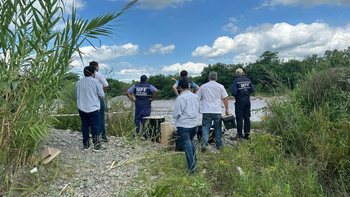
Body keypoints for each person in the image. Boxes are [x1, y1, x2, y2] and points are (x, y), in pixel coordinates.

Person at [75, 66, 106, 151]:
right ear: (93, 73)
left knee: (85, 126)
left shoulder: (79, 82)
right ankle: (96, 145)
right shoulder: (96, 82)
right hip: (93, 108)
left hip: (82, 108)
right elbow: (102, 95)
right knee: (95, 126)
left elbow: (76, 95)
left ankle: (86, 145)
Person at [173, 79, 200, 174]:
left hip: (184, 125)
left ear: (179, 88)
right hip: (194, 125)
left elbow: (176, 113)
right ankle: (194, 163)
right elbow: (198, 109)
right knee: (191, 143)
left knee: (187, 146)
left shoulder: (180, 98)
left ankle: (192, 170)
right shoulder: (195, 97)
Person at [196, 72, 229, 151]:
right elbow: (225, 98)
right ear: (216, 78)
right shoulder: (220, 86)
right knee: (218, 128)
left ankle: (204, 144)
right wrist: (226, 109)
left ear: (208, 78)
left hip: (206, 110)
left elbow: (197, 98)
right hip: (217, 110)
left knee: (205, 128)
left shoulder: (203, 87)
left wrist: (198, 108)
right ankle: (219, 145)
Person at [126, 75, 158, 139]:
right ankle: (144, 135)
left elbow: (127, 92)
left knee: (137, 120)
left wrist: (132, 100)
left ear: (140, 79)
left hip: (138, 104)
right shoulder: (149, 86)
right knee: (145, 120)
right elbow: (156, 91)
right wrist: (153, 98)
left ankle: (136, 134)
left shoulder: (135, 86)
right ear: (146, 80)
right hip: (146, 105)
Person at [231, 68, 255, 139]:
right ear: (243, 73)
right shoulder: (248, 80)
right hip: (247, 100)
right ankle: (247, 133)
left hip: (239, 100)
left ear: (236, 74)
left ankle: (240, 134)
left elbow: (234, 92)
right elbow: (252, 90)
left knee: (239, 118)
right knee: (247, 117)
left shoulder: (236, 81)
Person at [89, 61, 109, 142]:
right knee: (100, 117)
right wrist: (103, 93)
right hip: (98, 98)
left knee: (91, 117)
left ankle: (94, 134)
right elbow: (106, 85)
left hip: (90, 99)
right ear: (96, 67)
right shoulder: (99, 75)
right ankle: (102, 135)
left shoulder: (86, 76)